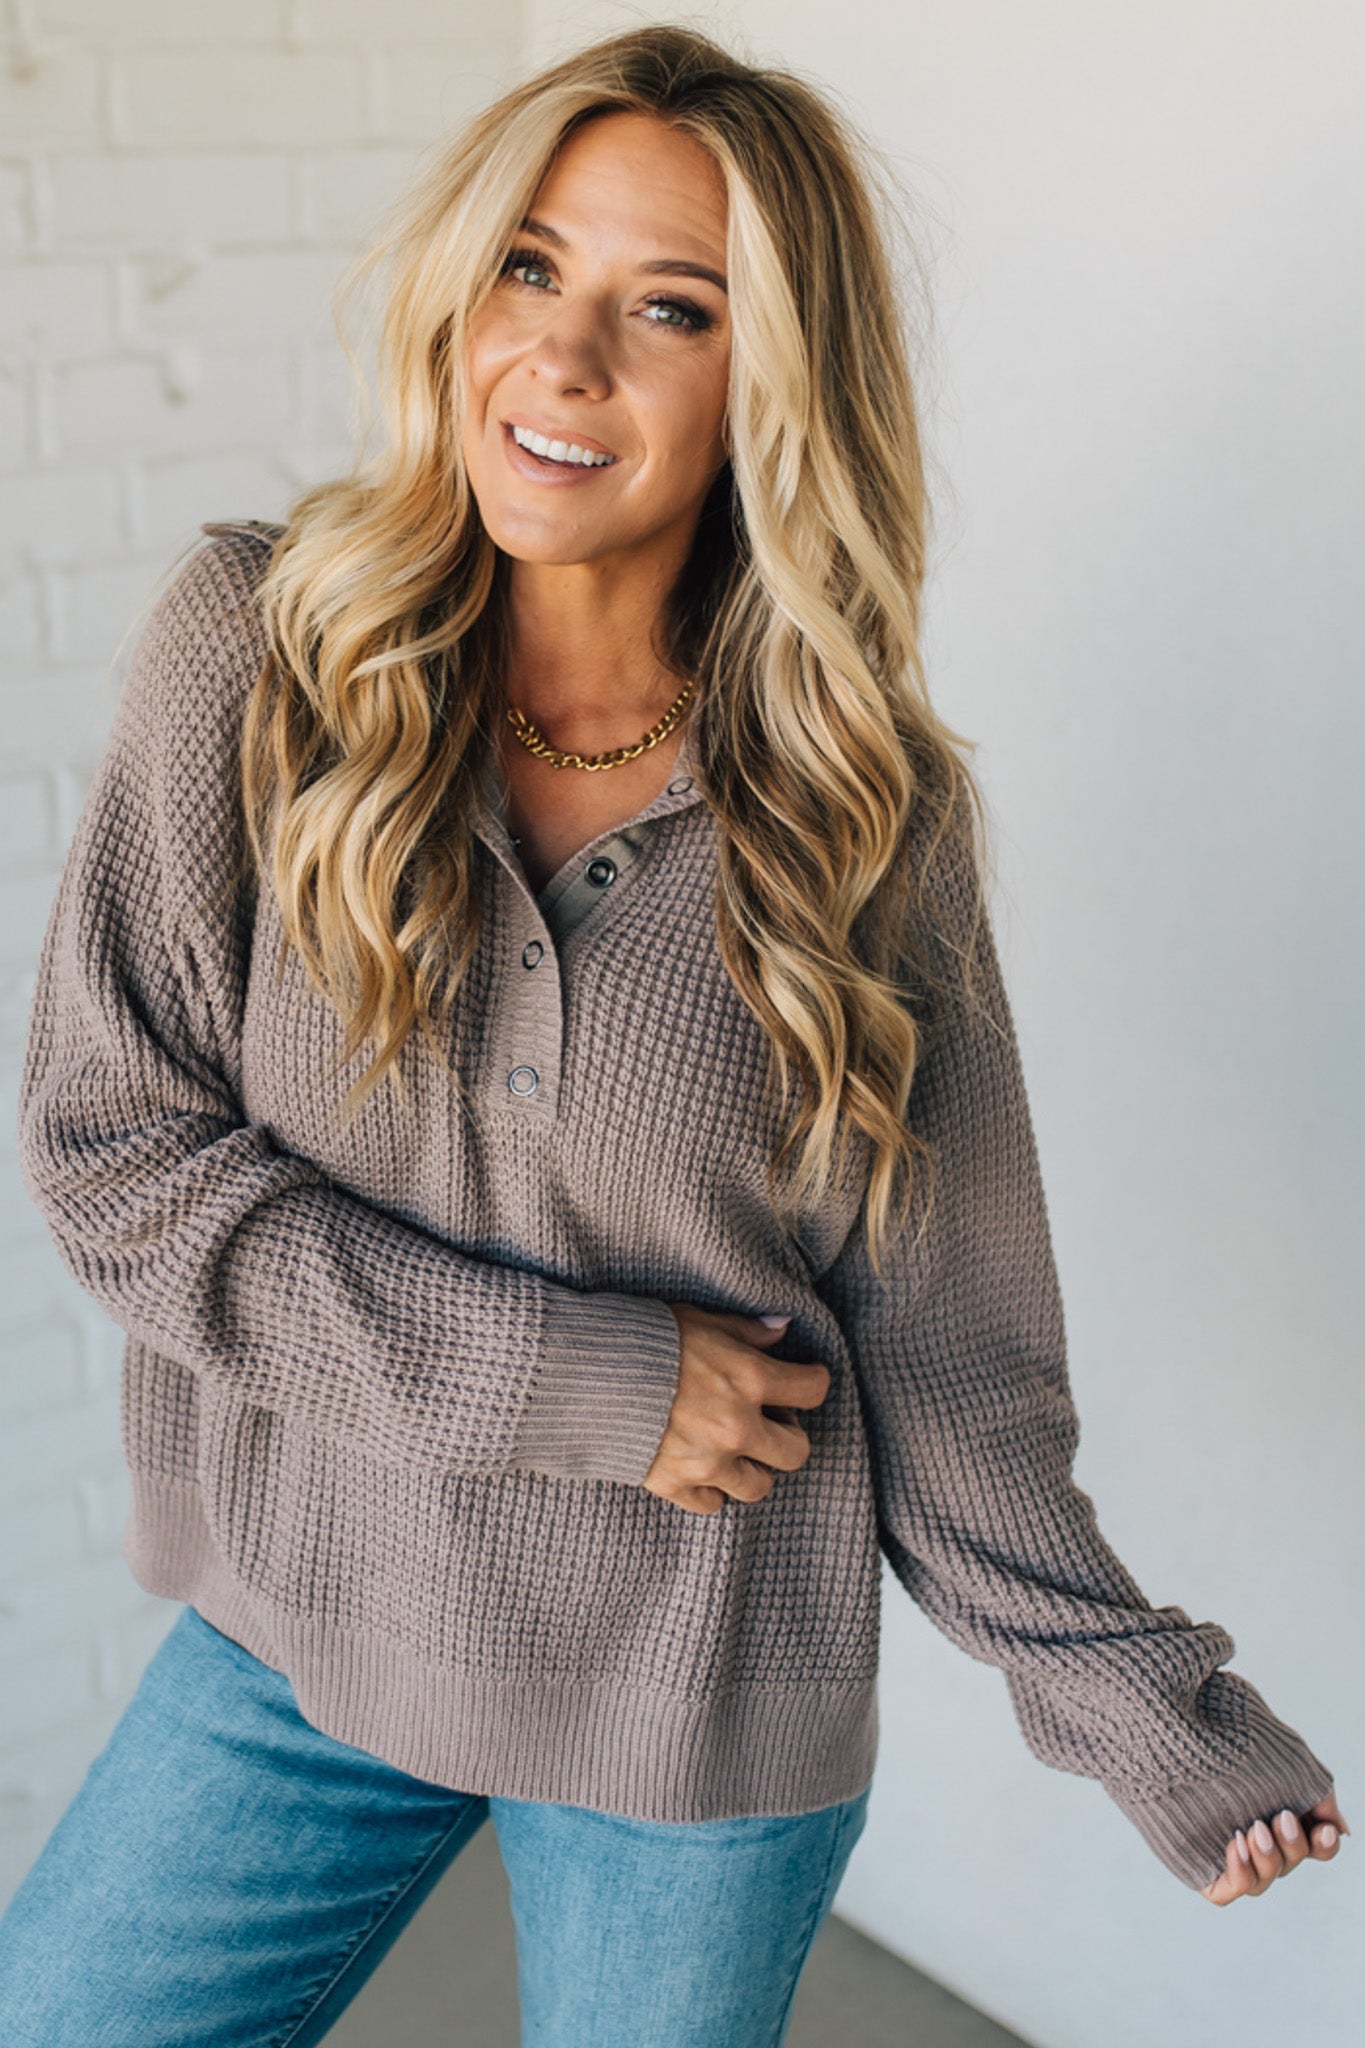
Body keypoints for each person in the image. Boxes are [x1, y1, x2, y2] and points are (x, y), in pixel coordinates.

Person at [0, 22, 1348, 2047]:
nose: (562, 359)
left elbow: (949, 1352)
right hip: (307, 1624)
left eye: (669, 308)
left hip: (693, 1701)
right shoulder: (255, 654)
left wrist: (1143, 1707)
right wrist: (583, 1384)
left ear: (766, 383)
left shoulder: (859, 813)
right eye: (529, 268)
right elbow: (115, 1155)